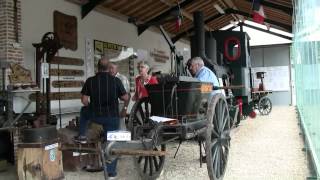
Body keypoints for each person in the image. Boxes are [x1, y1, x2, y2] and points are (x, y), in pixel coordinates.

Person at [74, 57, 129, 178]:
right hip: (112, 118)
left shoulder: (90, 81)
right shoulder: (116, 81)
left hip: (96, 116)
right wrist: (124, 109)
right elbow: (125, 98)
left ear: (97, 68)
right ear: (108, 68)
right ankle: (111, 173)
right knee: (112, 144)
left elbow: (84, 101)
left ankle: (82, 136)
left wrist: (91, 107)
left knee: (84, 111)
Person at [108, 62, 131, 130]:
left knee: (120, 126)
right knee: (111, 127)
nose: (110, 70)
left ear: (117, 69)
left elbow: (127, 95)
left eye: (112, 68)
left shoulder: (122, 78)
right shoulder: (108, 78)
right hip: (109, 106)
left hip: (120, 106)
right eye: (109, 68)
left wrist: (125, 109)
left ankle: (122, 140)